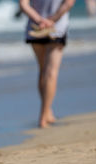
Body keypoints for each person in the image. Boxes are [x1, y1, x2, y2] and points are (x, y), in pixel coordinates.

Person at [19, 0, 76, 128]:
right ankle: (44, 115)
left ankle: (47, 111)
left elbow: (23, 5)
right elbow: (68, 3)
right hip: (56, 27)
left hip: (35, 27)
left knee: (43, 71)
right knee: (51, 73)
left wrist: (40, 20)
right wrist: (51, 20)